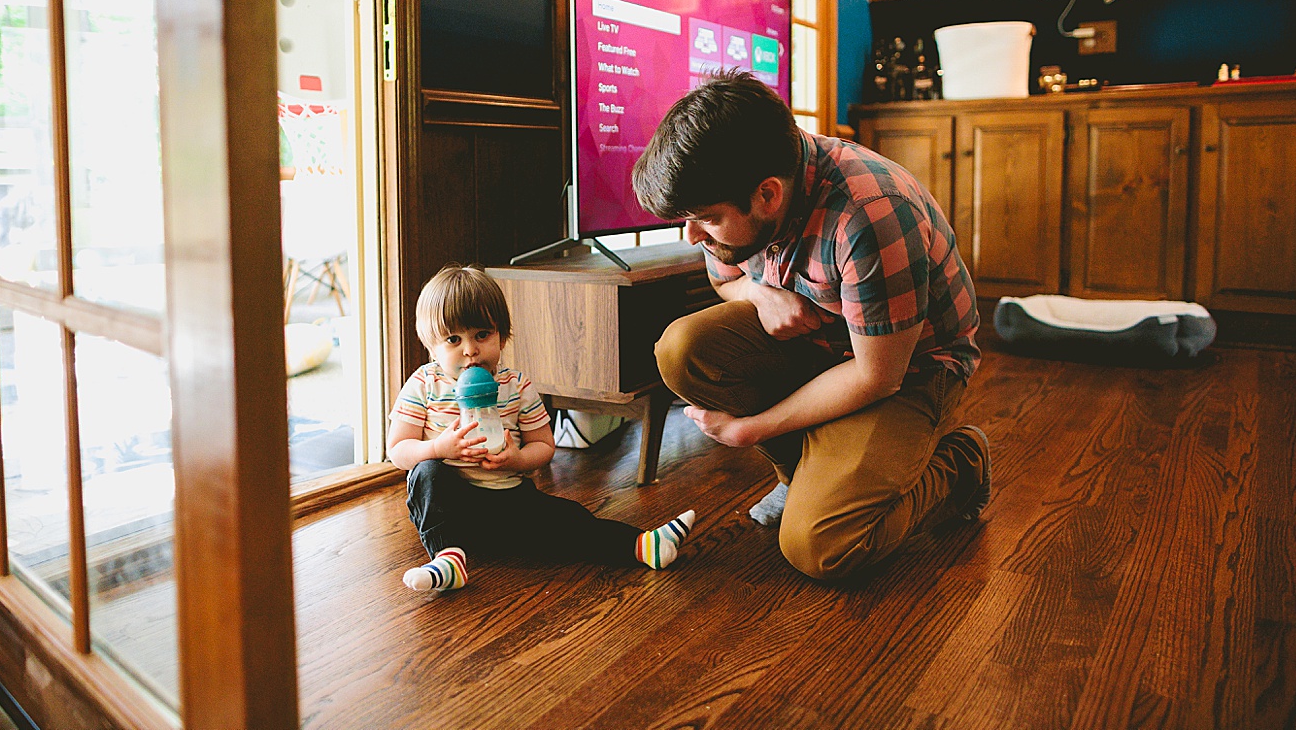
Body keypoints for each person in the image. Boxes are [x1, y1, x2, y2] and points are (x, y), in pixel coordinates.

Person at [630, 70, 988, 583]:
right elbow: (726, 280)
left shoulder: (872, 214)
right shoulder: (741, 191)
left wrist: (752, 428)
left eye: (704, 219)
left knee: (821, 546)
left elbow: (876, 377)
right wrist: (757, 293)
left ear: (768, 195)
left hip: (910, 368)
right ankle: (804, 474)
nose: (691, 237)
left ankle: (959, 465)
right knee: (682, 348)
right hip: (824, 345)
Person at [388, 264, 697, 592]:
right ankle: (447, 559)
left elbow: (544, 446)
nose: (470, 350)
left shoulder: (516, 386)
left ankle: (642, 545)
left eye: (482, 335)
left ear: (502, 336)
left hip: (506, 499)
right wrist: (437, 449)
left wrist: (516, 459)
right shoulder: (424, 384)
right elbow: (398, 450)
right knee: (426, 474)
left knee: (567, 519)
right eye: (453, 339)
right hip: (452, 505)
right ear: (431, 346)